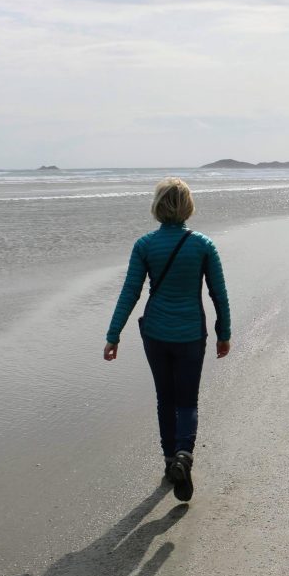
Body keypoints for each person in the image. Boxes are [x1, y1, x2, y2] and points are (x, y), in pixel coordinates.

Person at [103, 178, 231, 501]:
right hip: (190, 334)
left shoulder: (145, 246)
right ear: (188, 206)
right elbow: (219, 294)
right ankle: (184, 455)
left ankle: (168, 461)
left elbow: (130, 292)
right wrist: (223, 333)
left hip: (156, 334)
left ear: (157, 206)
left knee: (166, 398)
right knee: (187, 400)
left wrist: (113, 334)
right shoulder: (203, 245)